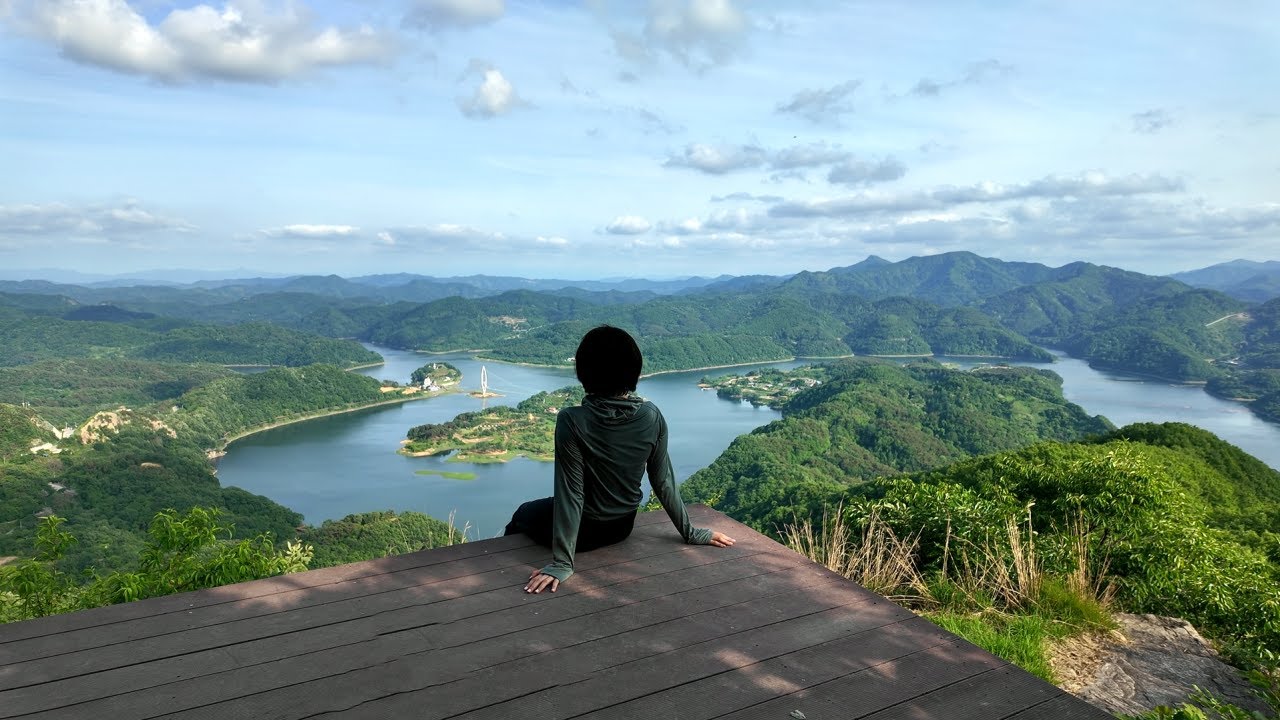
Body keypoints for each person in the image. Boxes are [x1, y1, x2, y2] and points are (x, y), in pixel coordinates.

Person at [506, 325, 735, 593]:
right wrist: (691, 532)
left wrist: (563, 563)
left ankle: (498, 570)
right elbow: (663, 481)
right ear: (633, 373)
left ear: (584, 373)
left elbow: (571, 494)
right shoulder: (651, 415)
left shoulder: (571, 420)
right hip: (622, 526)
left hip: (583, 532)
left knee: (524, 512)